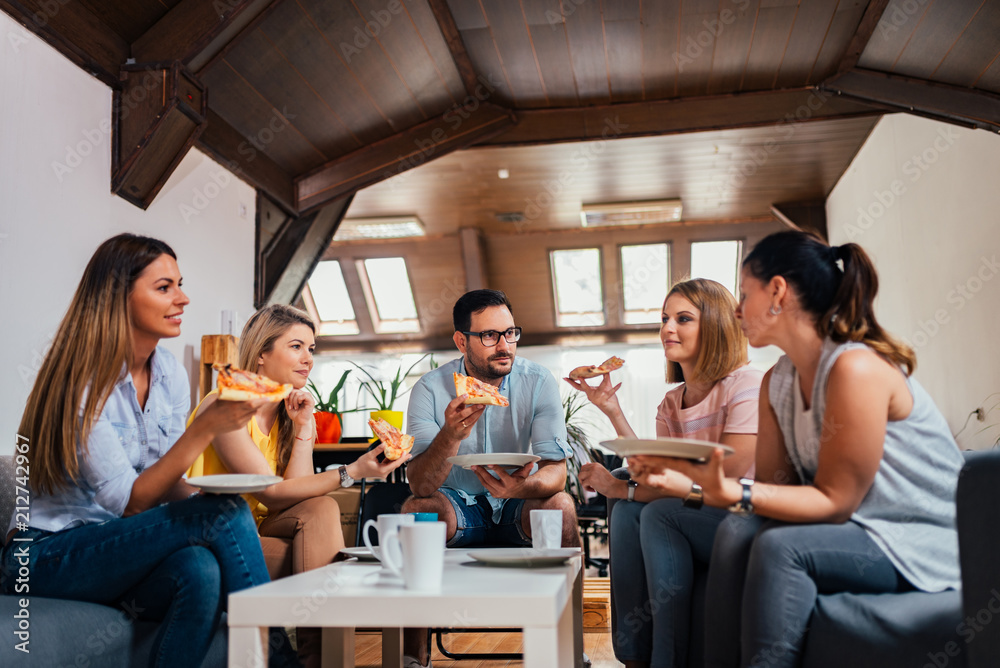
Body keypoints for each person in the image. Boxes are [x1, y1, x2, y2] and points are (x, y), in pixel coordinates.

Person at [630, 231, 964, 668]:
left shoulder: (855, 367)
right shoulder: (778, 381)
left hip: (910, 539)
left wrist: (723, 492)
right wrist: (693, 488)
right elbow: (772, 494)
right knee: (738, 531)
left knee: (780, 549)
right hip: (855, 528)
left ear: (777, 293)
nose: (735, 310)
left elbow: (835, 500)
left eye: (744, 294)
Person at [0, 234, 299, 667]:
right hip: (43, 555)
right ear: (118, 296)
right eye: (164, 288)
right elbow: (132, 502)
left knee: (200, 569)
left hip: (112, 548)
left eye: (180, 284)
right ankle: (284, 663)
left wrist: (203, 512)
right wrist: (205, 429)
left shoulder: (169, 375)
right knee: (224, 512)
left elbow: (167, 483)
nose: (183, 298)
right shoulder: (81, 381)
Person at [188, 303, 408, 668]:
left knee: (323, 508)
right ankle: (323, 660)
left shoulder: (286, 412)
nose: (308, 358)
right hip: (216, 533)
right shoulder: (225, 403)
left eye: (311, 348)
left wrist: (305, 426)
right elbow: (269, 492)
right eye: (296, 347)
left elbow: (296, 493)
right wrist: (351, 471)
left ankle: (319, 662)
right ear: (261, 353)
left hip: (258, 526)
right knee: (322, 554)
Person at [566, 278, 761, 668]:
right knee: (628, 513)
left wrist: (621, 488)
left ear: (718, 326)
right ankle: (634, 659)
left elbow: (726, 476)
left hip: (742, 514)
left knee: (653, 510)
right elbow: (658, 473)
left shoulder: (747, 385)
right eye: (665, 318)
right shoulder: (672, 403)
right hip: (690, 508)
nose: (667, 328)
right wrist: (612, 409)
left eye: (683, 319)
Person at [400, 289, 580, 668]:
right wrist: (450, 434)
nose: (504, 346)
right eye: (489, 336)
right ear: (461, 340)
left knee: (561, 507)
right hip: (458, 508)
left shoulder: (538, 381)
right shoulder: (430, 389)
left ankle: (566, 651)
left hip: (518, 505)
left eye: (510, 333)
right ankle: (413, 658)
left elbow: (556, 471)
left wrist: (522, 487)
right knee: (419, 512)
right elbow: (419, 485)